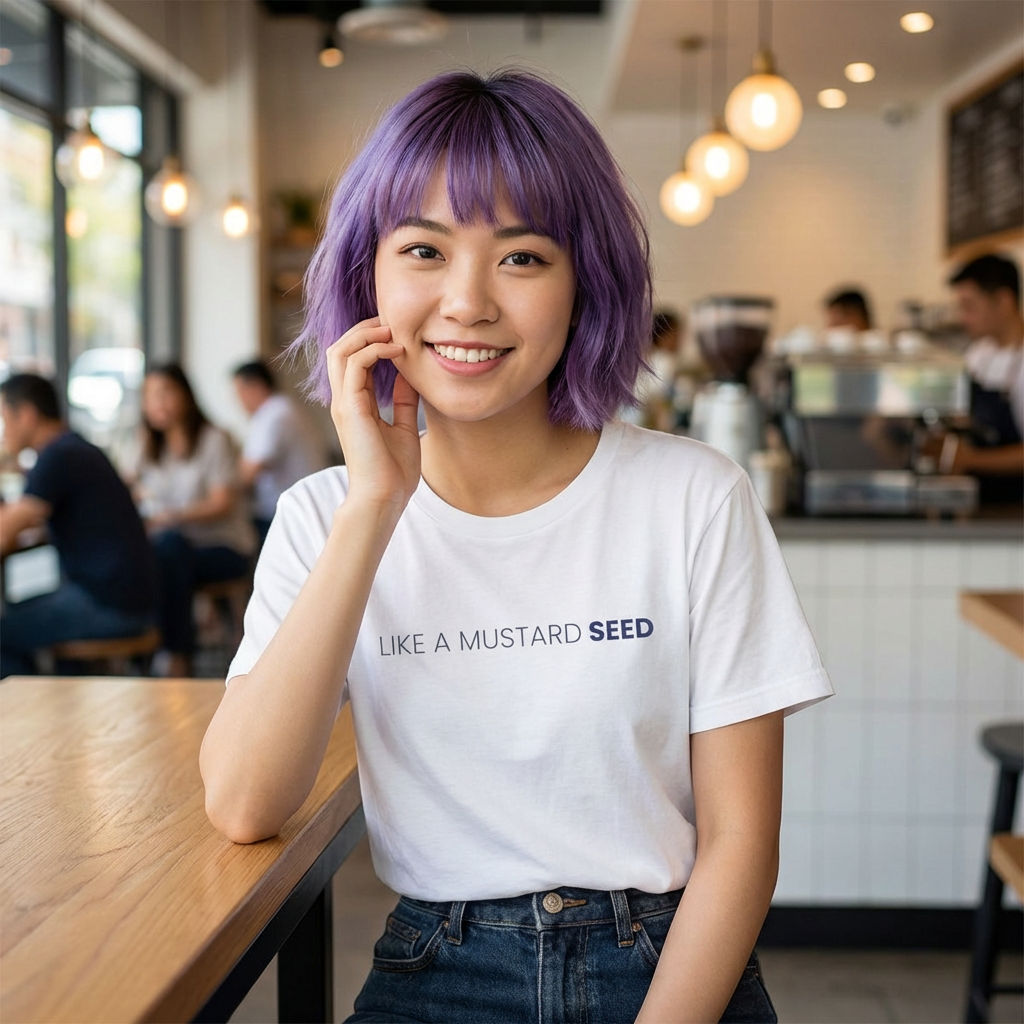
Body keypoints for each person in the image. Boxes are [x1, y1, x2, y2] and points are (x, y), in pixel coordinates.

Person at [200, 71, 833, 1024]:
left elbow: (742, 842)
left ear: (587, 284)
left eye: (523, 258)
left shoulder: (695, 496)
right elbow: (246, 803)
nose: (467, 301)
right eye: (423, 248)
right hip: (434, 968)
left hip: (670, 967)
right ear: (366, 275)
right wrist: (375, 503)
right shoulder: (322, 516)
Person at [0, 374, 156, 677]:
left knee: (5, 633)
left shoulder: (57, 457)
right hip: (129, 597)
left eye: (5, 418)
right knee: (20, 614)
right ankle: (54, 700)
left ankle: (25, 714)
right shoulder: (76, 447)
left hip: (110, 604)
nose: (4, 431)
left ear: (28, 415)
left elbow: (5, 531)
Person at [132, 364, 255, 676]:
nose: (157, 403)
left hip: (223, 547)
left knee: (167, 553)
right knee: (160, 554)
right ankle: (158, 650)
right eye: (150, 396)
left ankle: (175, 656)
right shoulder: (146, 444)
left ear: (186, 395)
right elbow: (127, 484)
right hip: (175, 550)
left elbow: (222, 503)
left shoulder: (214, 438)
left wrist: (170, 516)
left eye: (165, 393)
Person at [940, 254, 1024, 503]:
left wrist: (968, 459)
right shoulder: (979, 353)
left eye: (969, 307)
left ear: (1003, 301)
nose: (963, 318)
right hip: (985, 498)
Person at [232, 360, 326, 545]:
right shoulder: (282, 408)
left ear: (256, 386)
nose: (238, 401)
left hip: (283, 513)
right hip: (296, 507)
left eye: (239, 392)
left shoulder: (274, 413)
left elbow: (249, 472)